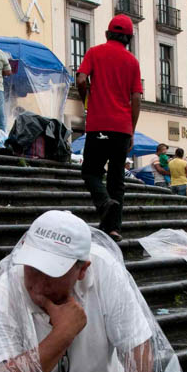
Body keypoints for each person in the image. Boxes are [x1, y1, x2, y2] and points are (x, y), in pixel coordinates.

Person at [0, 210, 155, 372]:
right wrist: (62, 334)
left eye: (52, 274)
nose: (39, 286)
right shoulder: (1, 294)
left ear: (82, 270)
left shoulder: (105, 271)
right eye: (33, 270)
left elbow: (138, 346)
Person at [76, 14, 142, 241]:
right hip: (122, 128)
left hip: (99, 125)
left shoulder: (94, 52)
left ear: (108, 33)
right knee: (117, 180)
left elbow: (82, 79)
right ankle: (113, 229)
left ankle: (104, 203)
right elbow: (136, 99)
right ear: (128, 38)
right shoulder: (133, 62)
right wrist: (131, 129)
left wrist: (87, 100)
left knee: (91, 172)